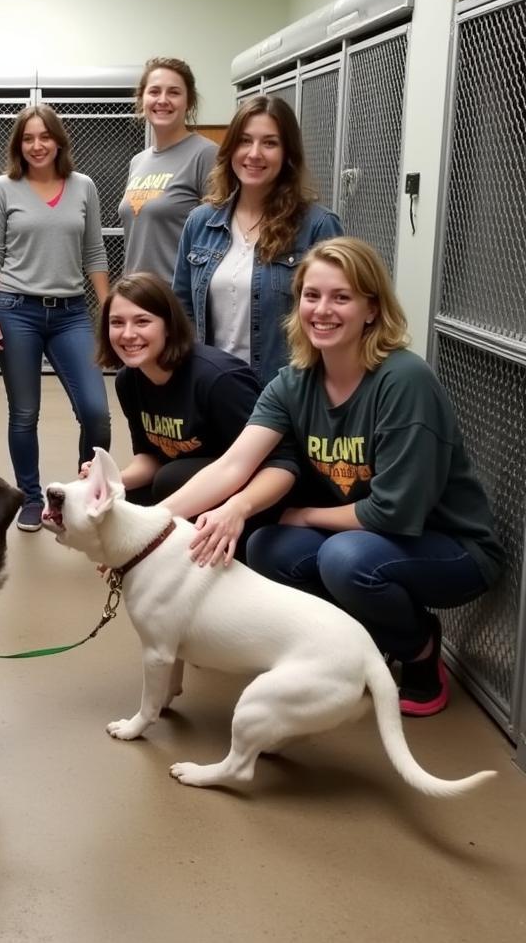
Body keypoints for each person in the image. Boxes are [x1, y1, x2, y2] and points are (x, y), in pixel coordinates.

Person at [162, 237, 503, 717]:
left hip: (450, 548)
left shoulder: (403, 380)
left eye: (341, 297)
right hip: (371, 538)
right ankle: (358, 647)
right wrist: (147, 523)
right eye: (311, 295)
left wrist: (303, 514)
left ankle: (420, 649)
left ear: (371, 309)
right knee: (268, 548)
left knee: (345, 560)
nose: (322, 310)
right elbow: (233, 465)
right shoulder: (295, 380)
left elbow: (393, 511)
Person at [0, 104, 111, 531]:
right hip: (16, 309)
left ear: (58, 141)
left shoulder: (84, 186)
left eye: (44, 137)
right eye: (28, 138)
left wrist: (110, 311)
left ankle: (82, 493)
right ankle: (31, 500)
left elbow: (94, 252)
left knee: (96, 413)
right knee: (24, 413)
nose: (37, 145)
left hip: (71, 312)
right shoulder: (3, 187)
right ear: (19, 145)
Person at [172, 95, 342, 387]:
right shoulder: (200, 222)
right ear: (230, 149)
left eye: (270, 143)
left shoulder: (317, 226)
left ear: (288, 153)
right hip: (213, 390)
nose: (254, 153)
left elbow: (337, 318)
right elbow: (181, 309)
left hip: (286, 394)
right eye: (245, 141)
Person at [94, 271, 264, 513]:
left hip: (248, 490)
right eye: (117, 323)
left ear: (168, 326)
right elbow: (150, 458)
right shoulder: (128, 380)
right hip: (182, 480)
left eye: (142, 321)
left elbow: (265, 460)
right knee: (120, 500)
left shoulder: (218, 379)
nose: (128, 334)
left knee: (169, 479)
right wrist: (106, 481)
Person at [118, 57, 217, 284]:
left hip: (177, 304)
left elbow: (219, 240)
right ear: (142, 99)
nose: (162, 100)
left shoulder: (206, 155)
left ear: (189, 101)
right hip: (138, 299)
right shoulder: (138, 161)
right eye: (154, 92)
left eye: (173, 92)